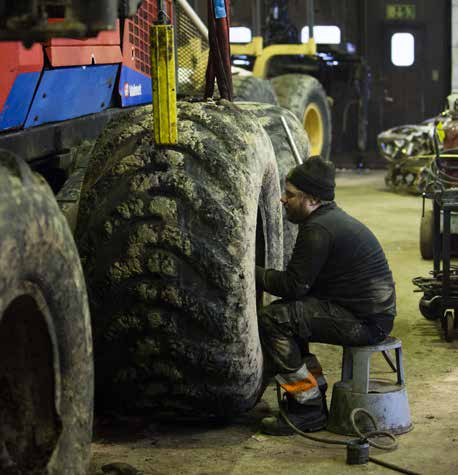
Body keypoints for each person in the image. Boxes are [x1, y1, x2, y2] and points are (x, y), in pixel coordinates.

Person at [255, 155, 396, 436]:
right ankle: (312, 390)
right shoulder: (328, 219)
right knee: (291, 314)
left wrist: (251, 271)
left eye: (290, 195)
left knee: (274, 319)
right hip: (365, 312)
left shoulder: (318, 229)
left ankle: (308, 410)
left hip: (366, 322)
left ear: (311, 200)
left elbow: (293, 285)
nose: (283, 200)